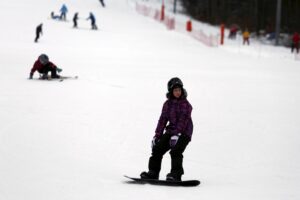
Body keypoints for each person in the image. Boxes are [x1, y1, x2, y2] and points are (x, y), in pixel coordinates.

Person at [140, 77, 193, 181]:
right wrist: (157, 135)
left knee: (176, 151)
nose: (178, 92)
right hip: (171, 130)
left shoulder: (186, 104)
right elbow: (162, 120)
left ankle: (175, 174)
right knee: (157, 149)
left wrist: (177, 134)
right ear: (171, 91)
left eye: (179, 90)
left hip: (184, 132)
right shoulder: (167, 104)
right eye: (175, 90)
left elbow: (183, 120)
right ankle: (153, 173)